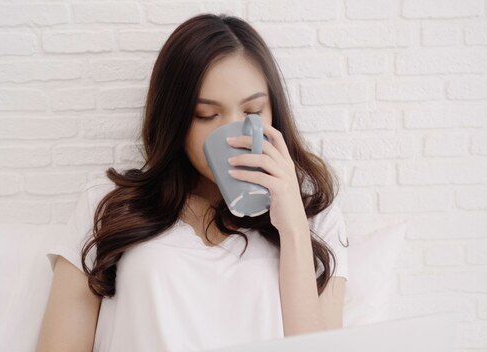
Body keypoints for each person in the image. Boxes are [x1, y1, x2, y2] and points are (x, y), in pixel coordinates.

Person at [36, 13, 349, 352]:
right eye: (206, 115)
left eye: (253, 111)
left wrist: (292, 228)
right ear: (175, 119)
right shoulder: (108, 206)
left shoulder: (317, 219)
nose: (232, 134)